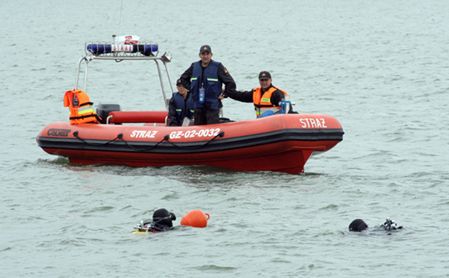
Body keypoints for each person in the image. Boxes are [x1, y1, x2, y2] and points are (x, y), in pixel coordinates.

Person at [179, 45, 236, 125]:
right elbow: (183, 79)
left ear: (211, 55)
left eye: (207, 54)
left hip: (212, 106)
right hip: (198, 106)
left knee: (212, 128)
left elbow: (230, 83)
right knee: (199, 130)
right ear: (200, 55)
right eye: (203, 54)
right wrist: (192, 89)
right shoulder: (194, 66)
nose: (205, 56)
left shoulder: (218, 66)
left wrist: (225, 94)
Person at [225, 71, 292, 118]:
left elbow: (286, 107)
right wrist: (228, 92)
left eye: (266, 80)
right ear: (259, 81)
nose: (264, 82)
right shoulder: (255, 92)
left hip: (274, 122)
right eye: (262, 80)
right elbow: (241, 96)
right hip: (260, 123)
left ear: (271, 80)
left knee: (267, 113)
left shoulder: (276, 93)